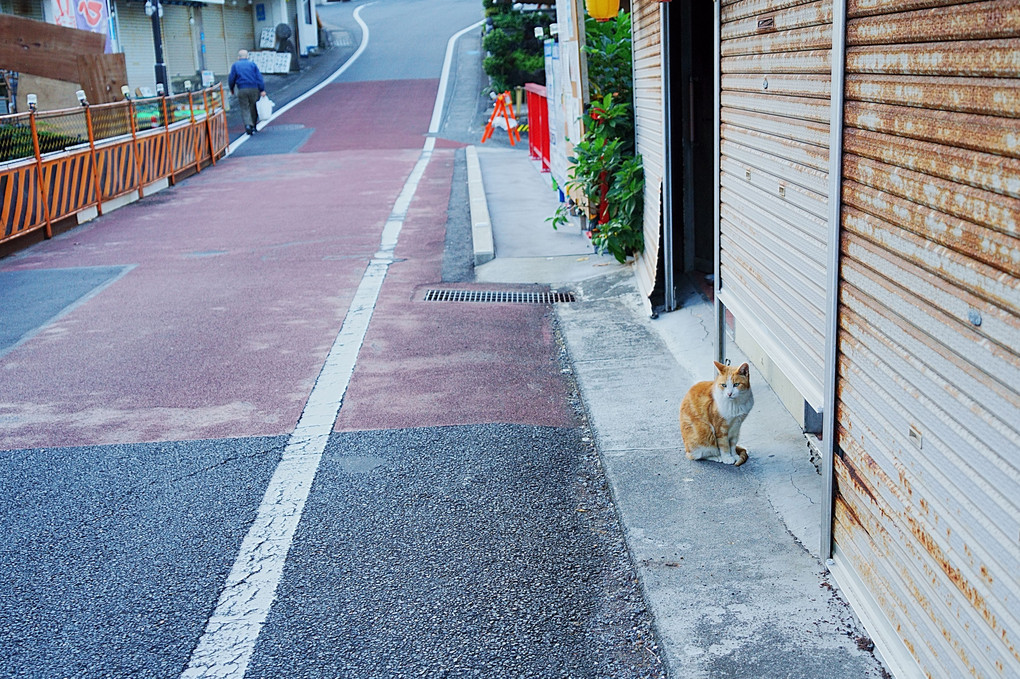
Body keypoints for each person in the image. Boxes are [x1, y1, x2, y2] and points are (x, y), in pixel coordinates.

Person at [228, 49, 267, 135]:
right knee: (253, 107)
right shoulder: (252, 65)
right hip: (254, 89)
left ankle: (248, 125)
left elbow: (231, 78)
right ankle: (254, 125)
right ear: (247, 56)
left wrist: (232, 88)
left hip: (242, 89)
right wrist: (262, 89)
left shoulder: (235, 65)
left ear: (238, 57)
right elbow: (259, 78)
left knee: (244, 108)